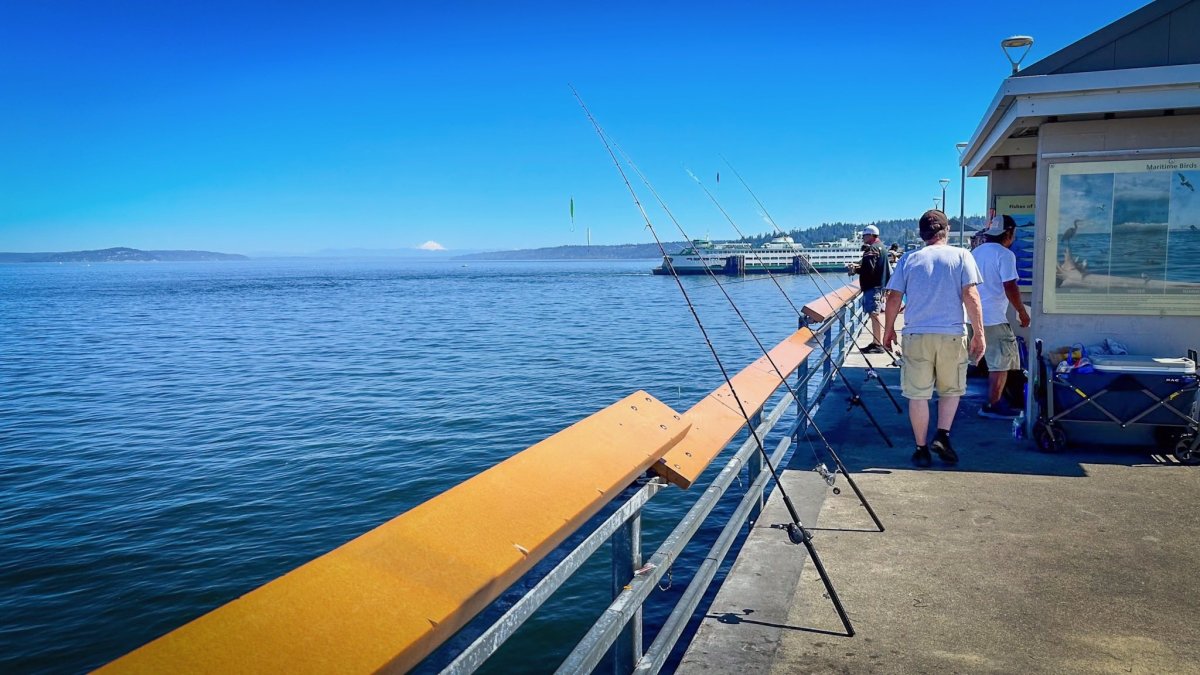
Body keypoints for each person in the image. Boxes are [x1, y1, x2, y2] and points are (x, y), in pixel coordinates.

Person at [883, 210, 985, 467]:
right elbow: (971, 296)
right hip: (952, 333)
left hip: (916, 333)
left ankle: (921, 449)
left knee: (918, 395)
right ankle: (942, 435)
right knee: (951, 389)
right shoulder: (962, 256)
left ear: (921, 234)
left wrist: (888, 330)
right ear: (946, 231)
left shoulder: (908, 259)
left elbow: (893, 297)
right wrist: (979, 334)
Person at [972, 215, 1031, 419]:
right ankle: (993, 404)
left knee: (978, 362)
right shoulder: (1005, 255)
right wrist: (1022, 312)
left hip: (973, 317)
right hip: (994, 318)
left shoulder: (975, 252)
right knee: (1002, 363)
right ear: (1010, 233)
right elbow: (1010, 286)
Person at [845, 225, 889, 353]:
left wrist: (855, 269)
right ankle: (876, 342)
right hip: (879, 286)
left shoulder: (872, 249)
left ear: (870, 235)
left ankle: (878, 344)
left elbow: (869, 269)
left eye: (864, 236)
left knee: (874, 315)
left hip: (873, 287)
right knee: (874, 314)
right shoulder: (881, 247)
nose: (863, 238)